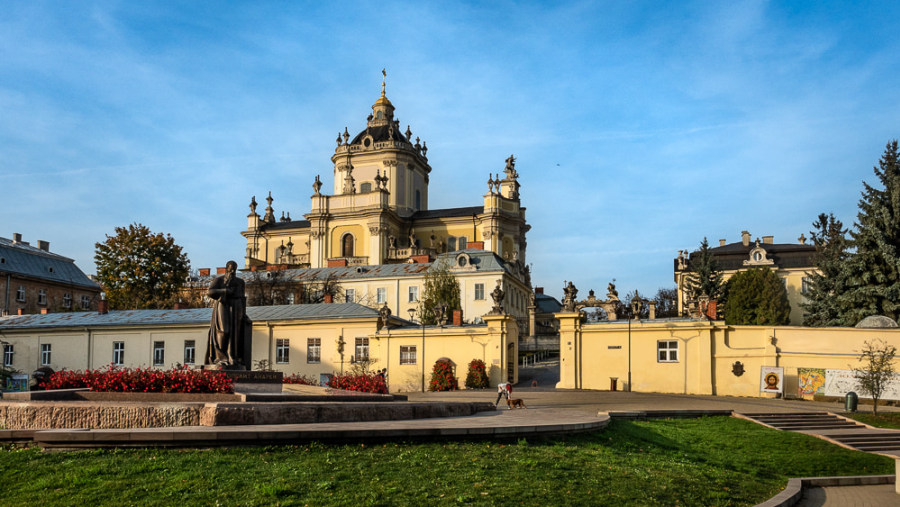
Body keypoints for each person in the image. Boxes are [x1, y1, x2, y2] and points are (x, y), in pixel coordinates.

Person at [205, 260, 252, 368]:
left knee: (235, 334)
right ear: (227, 268)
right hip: (223, 305)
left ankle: (232, 357)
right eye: (231, 269)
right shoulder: (219, 280)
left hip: (237, 307)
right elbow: (210, 292)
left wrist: (244, 314)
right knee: (223, 330)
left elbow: (242, 298)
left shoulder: (240, 282)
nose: (232, 271)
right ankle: (220, 357)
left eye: (234, 269)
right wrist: (225, 291)